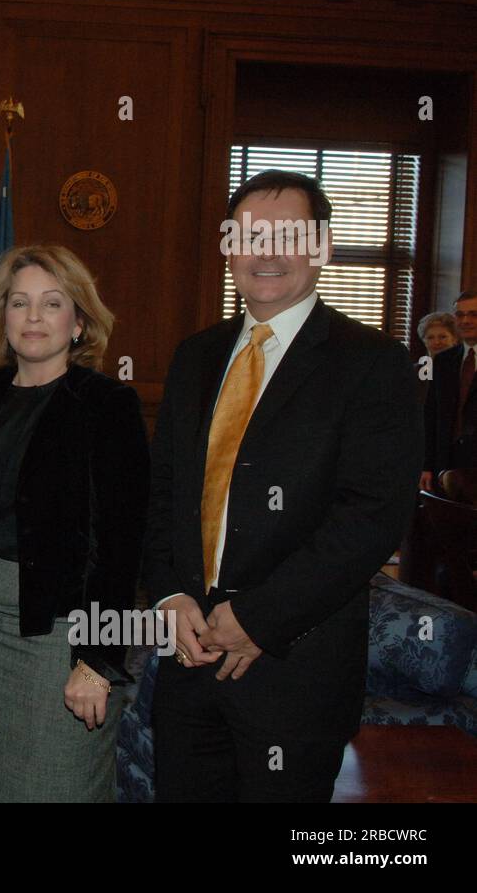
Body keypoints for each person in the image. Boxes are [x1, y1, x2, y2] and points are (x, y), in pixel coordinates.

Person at [145, 169, 421, 802]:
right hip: (187, 661)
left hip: (296, 676)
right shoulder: (195, 357)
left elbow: (370, 520)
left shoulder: (373, 364)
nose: (265, 252)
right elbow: (163, 495)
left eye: (286, 235)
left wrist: (257, 619)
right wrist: (168, 596)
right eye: (249, 235)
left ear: (320, 246)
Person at [0, 244, 149, 802]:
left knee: (59, 786)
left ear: (78, 321)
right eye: (19, 302)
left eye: (52, 304)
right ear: (2, 316)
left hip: (61, 637)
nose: (33, 317)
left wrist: (97, 660)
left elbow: (120, 547)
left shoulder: (106, 405)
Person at [423, 293, 477, 490]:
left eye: (473, 315)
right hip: (444, 466)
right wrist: (426, 465)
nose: (466, 321)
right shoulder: (443, 361)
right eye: (460, 315)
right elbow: (431, 416)